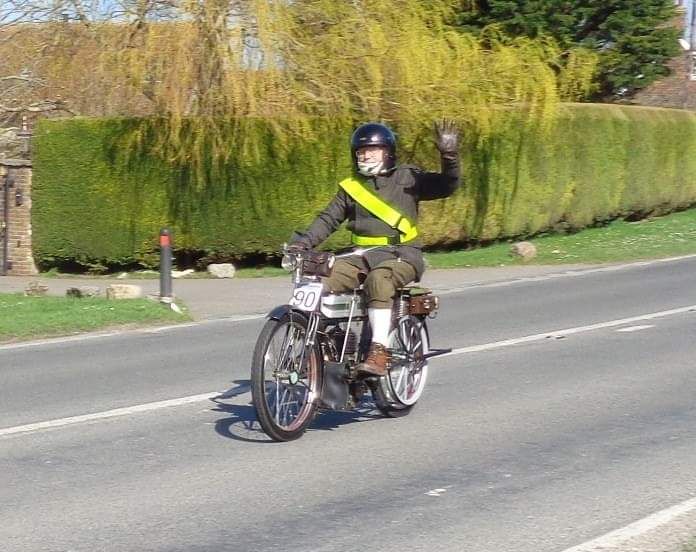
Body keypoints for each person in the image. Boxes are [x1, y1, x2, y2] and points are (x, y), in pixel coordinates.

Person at [289, 120, 461, 377]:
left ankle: (378, 351)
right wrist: (303, 242)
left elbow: (447, 186)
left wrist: (450, 157)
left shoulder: (407, 177)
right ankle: (317, 349)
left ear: (388, 152)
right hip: (360, 257)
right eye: (361, 151)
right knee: (315, 281)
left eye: (373, 150)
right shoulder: (351, 188)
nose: (366, 155)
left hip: (401, 255)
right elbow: (328, 219)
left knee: (378, 280)